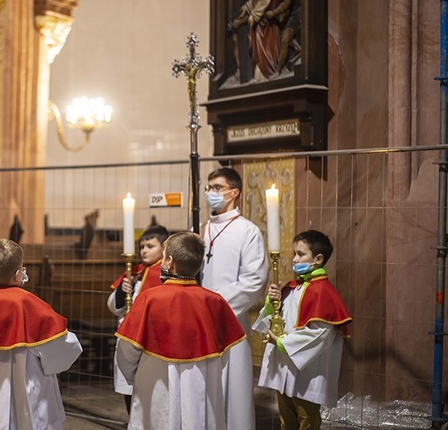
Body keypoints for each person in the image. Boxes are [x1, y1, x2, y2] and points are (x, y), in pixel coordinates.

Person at [115, 232, 246, 429]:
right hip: (203, 385)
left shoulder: (149, 299)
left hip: (156, 387)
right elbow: (223, 355)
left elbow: (126, 350)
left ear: (168, 261)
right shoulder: (215, 301)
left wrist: (137, 375)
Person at [0, 239, 83, 429]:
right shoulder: (27, 303)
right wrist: (73, 341)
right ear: (17, 274)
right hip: (29, 396)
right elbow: (61, 350)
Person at [253, 230, 352, 430]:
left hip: (308, 370)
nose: (295, 259)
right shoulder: (293, 287)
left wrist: (282, 343)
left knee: (307, 419)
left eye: (300, 254)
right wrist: (273, 304)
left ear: (318, 259)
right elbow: (280, 318)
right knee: (286, 418)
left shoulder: (324, 293)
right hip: (286, 366)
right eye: (295, 253)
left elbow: (320, 335)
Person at [201, 166, 268, 430]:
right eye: (209, 188)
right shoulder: (201, 229)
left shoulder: (247, 231)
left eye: (217, 188)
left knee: (233, 393)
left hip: (230, 323)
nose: (211, 193)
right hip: (199, 322)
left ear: (234, 192)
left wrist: (212, 304)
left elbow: (254, 281)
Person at [107, 224, 170, 414]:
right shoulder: (136, 271)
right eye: (142, 246)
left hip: (150, 341)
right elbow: (114, 307)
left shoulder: (165, 274)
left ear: (164, 247)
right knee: (128, 389)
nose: (144, 251)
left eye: (150, 246)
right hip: (128, 335)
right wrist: (123, 290)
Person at [246, 0, 281, 80]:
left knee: (267, 51)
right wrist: (247, 7)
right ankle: (260, 77)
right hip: (260, 24)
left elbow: (264, 1)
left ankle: (269, 74)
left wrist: (254, 15)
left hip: (267, 24)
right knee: (259, 52)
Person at [266, 0, 302, 74]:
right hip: (293, 14)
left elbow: (285, 6)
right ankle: (297, 49)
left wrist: (272, 13)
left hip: (296, 15)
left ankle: (278, 70)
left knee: (284, 41)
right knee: (284, 34)